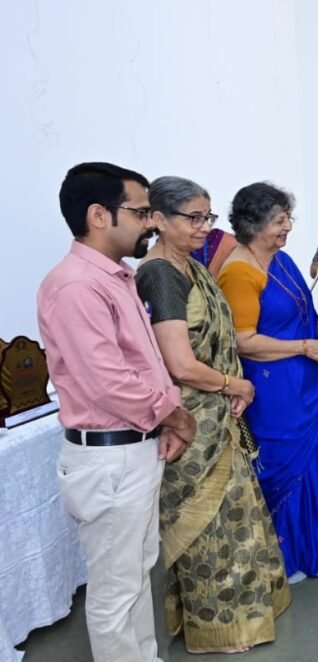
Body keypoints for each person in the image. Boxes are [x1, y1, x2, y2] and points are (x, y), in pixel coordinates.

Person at [37, 162, 196, 662]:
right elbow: (108, 382)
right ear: (98, 215)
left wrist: (162, 421)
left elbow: (142, 363)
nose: (150, 222)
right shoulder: (76, 286)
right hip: (109, 460)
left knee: (136, 575)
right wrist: (175, 415)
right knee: (115, 591)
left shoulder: (115, 278)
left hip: (134, 448)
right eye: (141, 212)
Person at [135, 176, 291, 653]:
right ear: (158, 220)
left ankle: (243, 612)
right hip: (192, 423)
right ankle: (216, 627)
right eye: (193, 218)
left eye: (208, 217)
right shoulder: (160, 274)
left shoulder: (190, 266)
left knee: (236, 519)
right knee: (207, 528)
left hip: (220, 413)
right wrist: (234, 384)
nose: (204, 227)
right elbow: (180, 364)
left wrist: (231, 387)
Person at [217, 182, 318, 583]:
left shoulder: (281, 259)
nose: (288, 227)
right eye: (280, 221)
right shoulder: (239, 272)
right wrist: (302, 346)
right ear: (254, 224)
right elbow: (243, 341)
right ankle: (287, 555)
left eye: (287, 218)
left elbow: (301, 306)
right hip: (277, 388)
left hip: (309, 378)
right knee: (287, 465)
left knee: (317, 461)